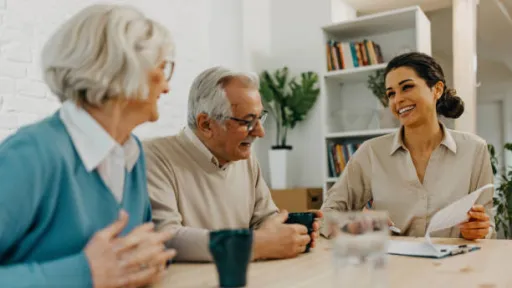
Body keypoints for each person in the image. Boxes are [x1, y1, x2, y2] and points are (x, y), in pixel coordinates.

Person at [0, 4, 178, 287]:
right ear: (124, 70)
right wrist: (85, 273)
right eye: (162, 68)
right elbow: (100, 272)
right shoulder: (32, 155)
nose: (167, 87)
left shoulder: (131, 154)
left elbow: (128, 259)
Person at [143, 66, 322, 262]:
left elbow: (264, 221)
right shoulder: (154, 157)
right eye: (247, 121)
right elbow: (167, 238)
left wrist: (290, 229)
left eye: (259, 118)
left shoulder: (244, 158)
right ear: (206, 124)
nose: (260, 132)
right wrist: (253, 246)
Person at [321, 52, 495, 240]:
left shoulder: (475, 150)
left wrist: (479, 230)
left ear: (437, 90)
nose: (398, 100)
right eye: (391, 93)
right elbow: (326, 215)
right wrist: (357, 223)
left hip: (454, 265)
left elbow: (487, 225)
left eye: (407, 87)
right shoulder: (371, 152)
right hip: (392, 265)